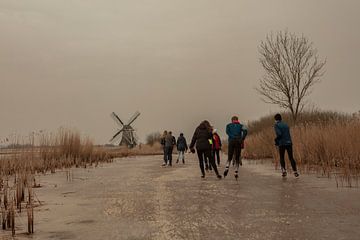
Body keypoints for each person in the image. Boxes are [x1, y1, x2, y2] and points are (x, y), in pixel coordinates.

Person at [274, 113, 299, 177]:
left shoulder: (276, 125)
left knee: (282, 157)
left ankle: (284, 171)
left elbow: (279, 134)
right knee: (291, 157)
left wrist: (276, 140)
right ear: (281, 118)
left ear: (276, 119)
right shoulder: (286, 124)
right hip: (289, 142)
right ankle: (295, 171)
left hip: (282, 143)